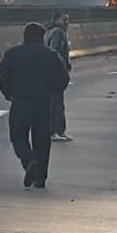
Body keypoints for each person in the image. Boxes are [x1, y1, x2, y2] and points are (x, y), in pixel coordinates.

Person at [0, 23, 70, 189]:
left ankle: (29, 161)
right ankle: (40, 178)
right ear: (42, 37)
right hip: (43, 102)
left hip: (20, 101)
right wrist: (53, 92)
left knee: (18, 137)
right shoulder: (51, 56)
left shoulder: (12, 54)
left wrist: (9, 94)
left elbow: (3, 78)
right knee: (42, 141)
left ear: (25, 36)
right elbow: (63, 78)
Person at [45, 12, 73, 142]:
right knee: (57, 103)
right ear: (57, 20)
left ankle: (55, 131)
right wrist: (63, 68)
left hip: (49, 72)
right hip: (56, 73)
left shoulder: (49, 31)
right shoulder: (58, 33)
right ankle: (57, 131)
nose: (67, 22)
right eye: (64, 19)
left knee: (53, 102)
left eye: (68, 20)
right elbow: (55, 51)